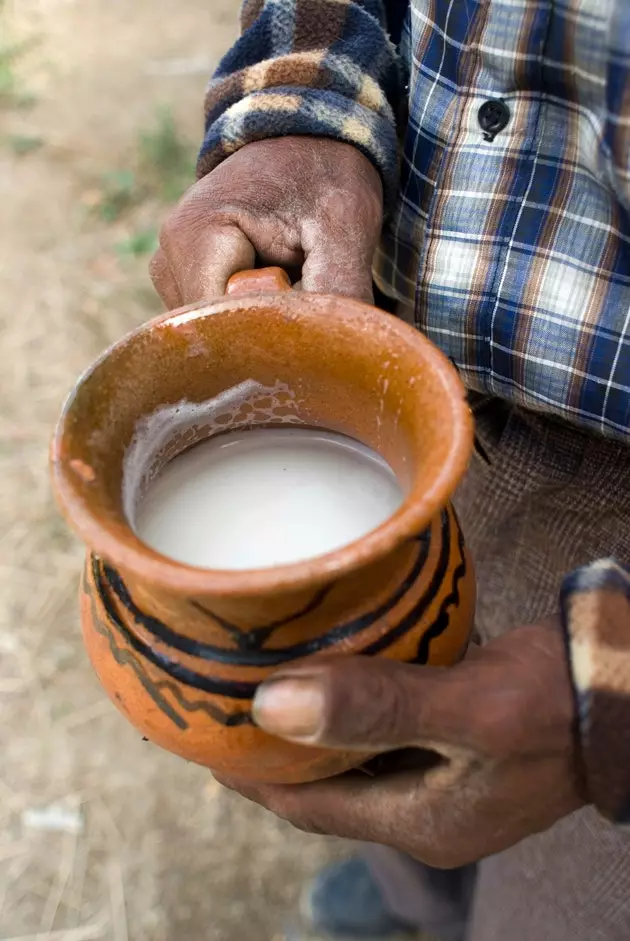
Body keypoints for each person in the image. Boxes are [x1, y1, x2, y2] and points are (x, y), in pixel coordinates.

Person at [149, 1, 630, 938]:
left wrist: (611, 706)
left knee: (557, 893)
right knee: (390, 735)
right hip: (406, 360)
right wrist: (302, 103)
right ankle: (416, 899)